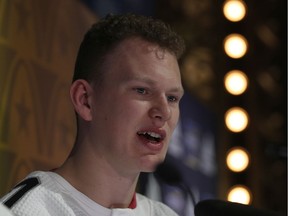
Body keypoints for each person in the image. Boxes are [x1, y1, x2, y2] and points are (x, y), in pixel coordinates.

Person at [0, 13, 185, 216]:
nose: (164, 112)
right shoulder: (23, 211)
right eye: (142, 90)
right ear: (85, 100)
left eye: (172, 98)